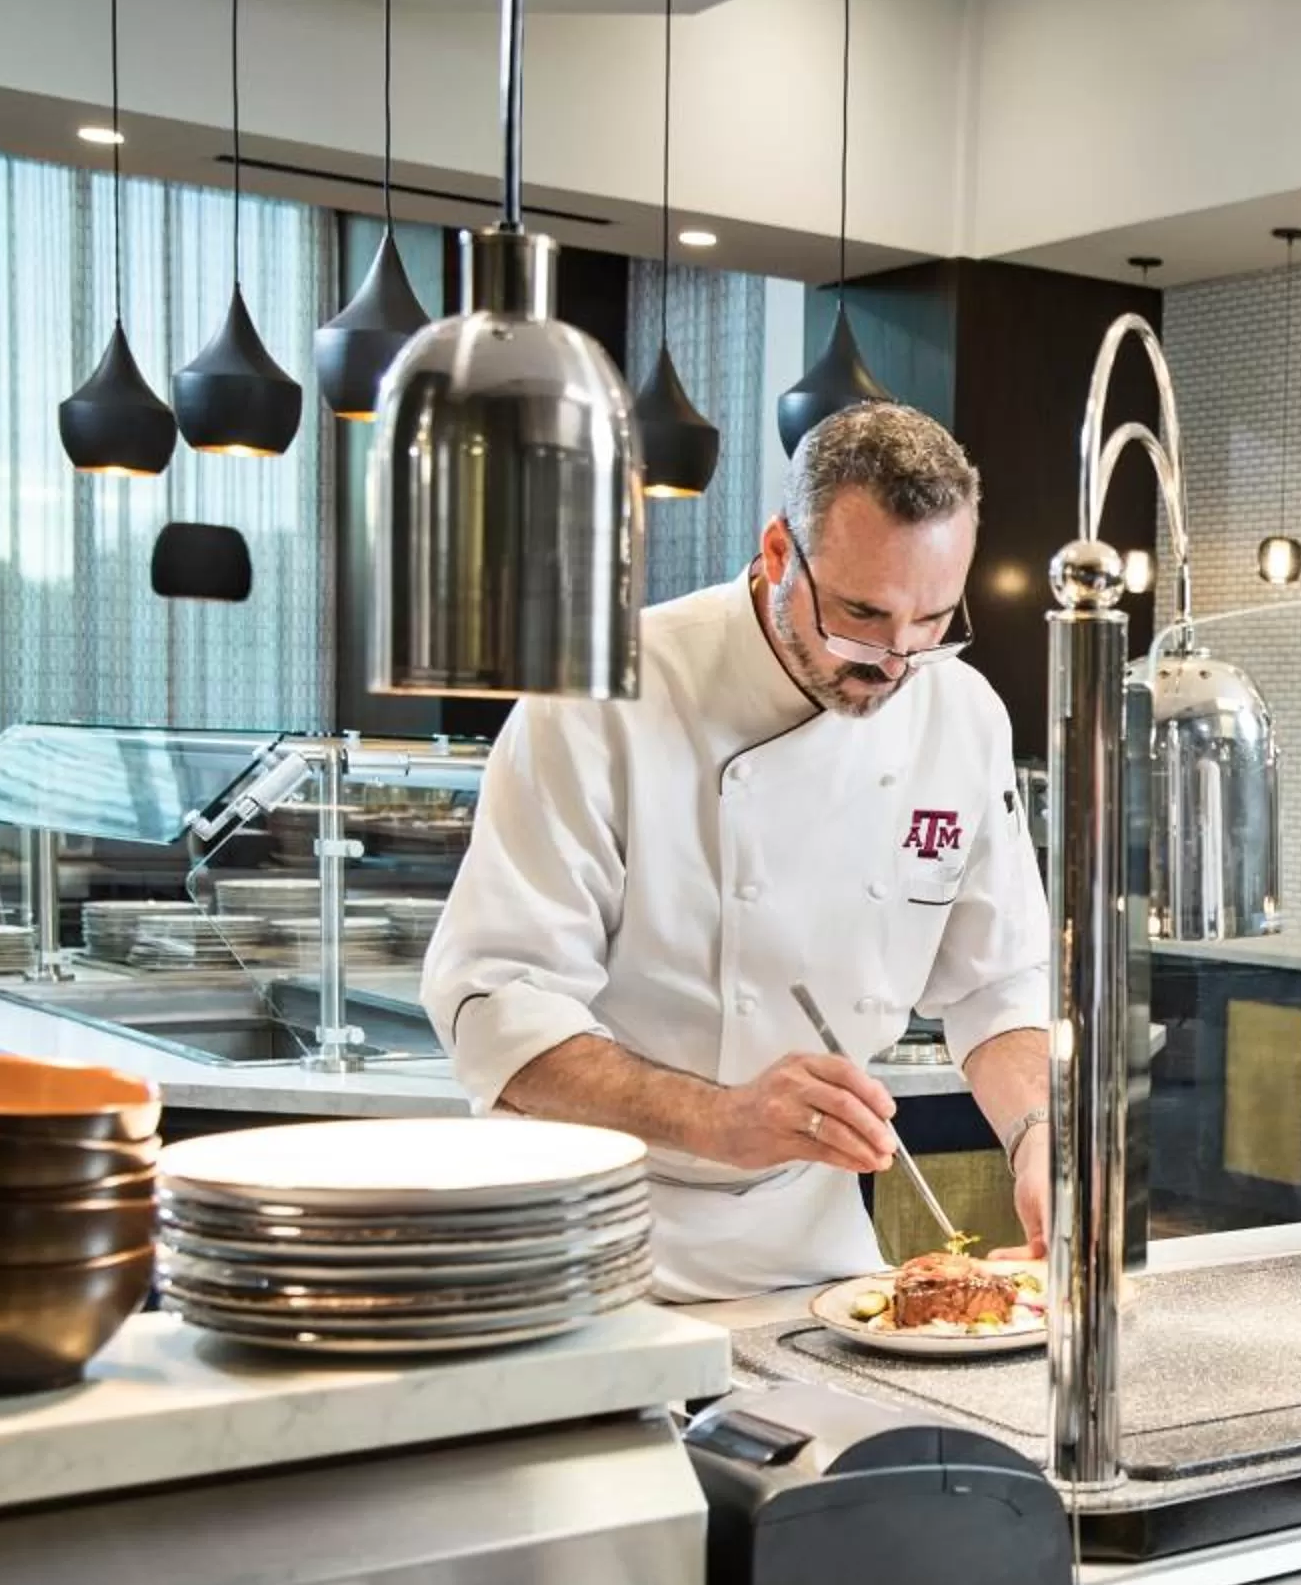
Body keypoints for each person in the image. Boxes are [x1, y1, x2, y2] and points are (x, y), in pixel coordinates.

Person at [422, 404, 1051, 1302]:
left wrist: (1038, 1135)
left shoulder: (962, 714)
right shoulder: (603, 699)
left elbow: (999, 987)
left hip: (805, 1247)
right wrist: (721, 1118)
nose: (894, 662)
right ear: (776, 553)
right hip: (584, 1228)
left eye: (933, 622)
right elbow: (500, 1012)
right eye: (861, 616)